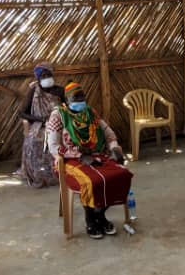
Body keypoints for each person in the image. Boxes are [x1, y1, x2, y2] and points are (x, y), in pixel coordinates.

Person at [45, 82, 132, 239]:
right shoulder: (58, 115)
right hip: (69, 160)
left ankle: (100, 214)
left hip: (96, 154)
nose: (80, 99)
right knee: (91, 182)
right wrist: (78, 155)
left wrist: (114, 148)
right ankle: (90, 219)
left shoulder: (90, 112)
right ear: (66, 99)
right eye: (76, 97)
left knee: (122, 175)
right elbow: (53, 146)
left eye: (82, 96)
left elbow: (108, 133)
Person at [18, 63, 65, 188]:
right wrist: (41, 119)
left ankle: (61, 171)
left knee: (63, 138)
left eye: (49, 75)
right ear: (38, 79)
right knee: (34, 141)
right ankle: (39, 173)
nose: (47, 77)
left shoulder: (60, 90)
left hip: (59, 124)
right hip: (40, 124)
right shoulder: (34, 91)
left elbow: (69, 109)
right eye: (44, 76)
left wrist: (58, 118)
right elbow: (22, 113)